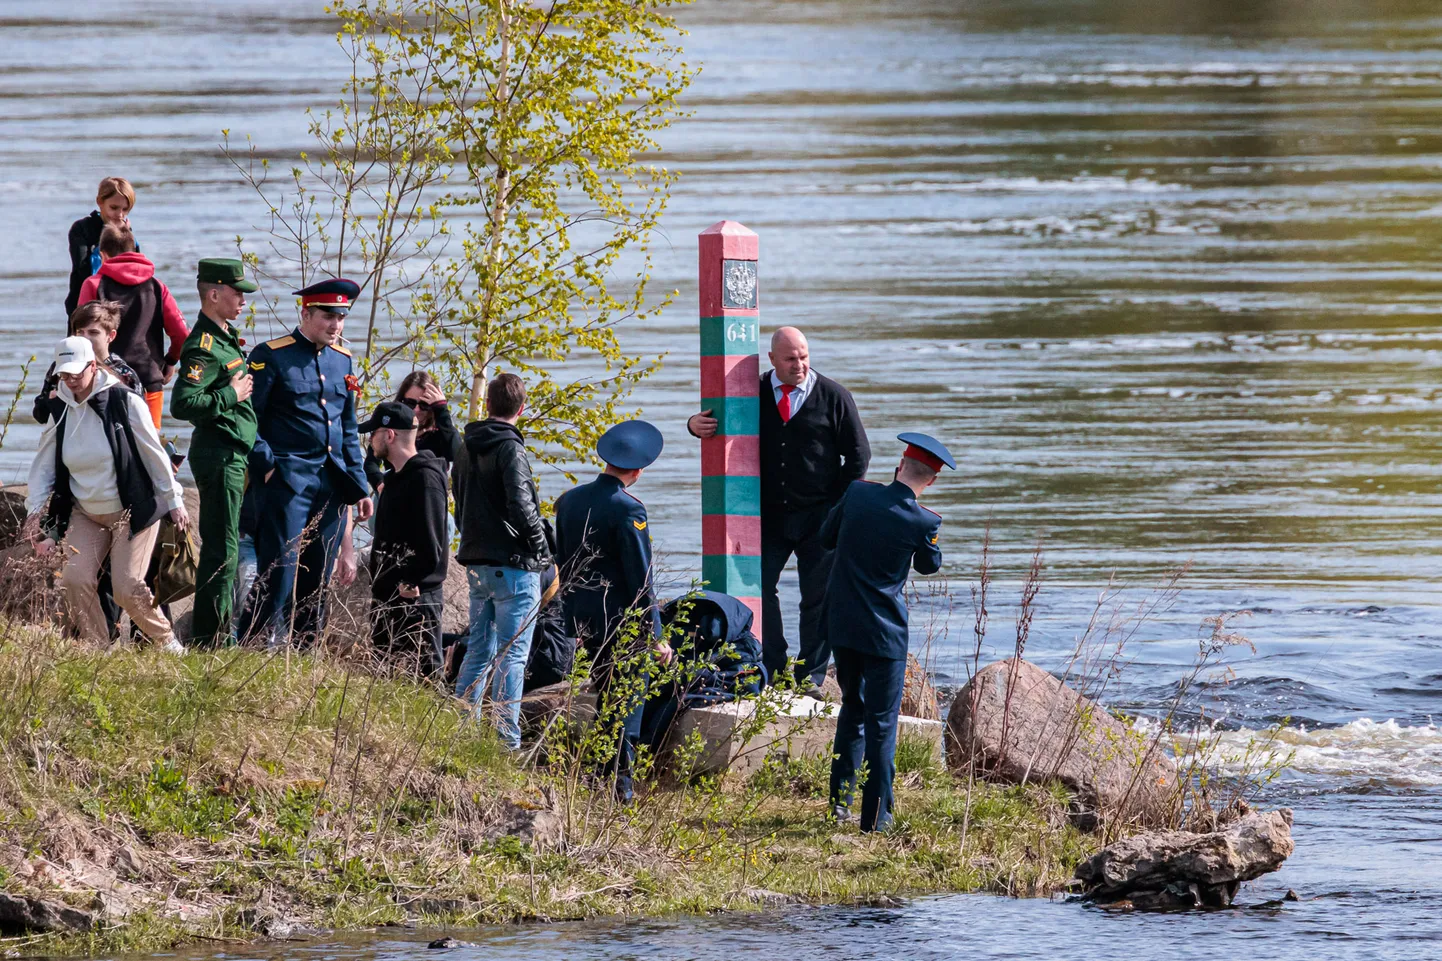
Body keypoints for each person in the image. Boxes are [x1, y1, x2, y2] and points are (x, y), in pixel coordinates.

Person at [687, 326, 870, 692]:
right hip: (768, 516)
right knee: (758, 588)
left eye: (804, 356)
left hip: (821, 516)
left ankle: (810, 675)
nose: (799, 364)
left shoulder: (834, 396)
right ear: (771, 359)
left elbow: (859, 456)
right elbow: (711, 419)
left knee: (817, 598)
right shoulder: (750, 392)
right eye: (790, 358)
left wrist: (837, 502)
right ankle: (773, 662)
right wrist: (693, 425)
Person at [22, 336, 189, 652]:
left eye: (76, 373)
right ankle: (100, 649)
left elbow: (154, 454)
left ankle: (169, 644)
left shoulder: (124, 401)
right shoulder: (59, 409)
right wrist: (34, 512)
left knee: (126, 587)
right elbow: (43, 466)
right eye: (64, 374)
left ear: (92, 366)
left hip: (132, 511)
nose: (71, 380)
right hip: (88, 512)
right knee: (74, 579)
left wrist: (174, 499)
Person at [821, 432, 952, 833]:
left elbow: (826, 537)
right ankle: (877, 818)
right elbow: (929, 566)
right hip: (884, 634)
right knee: (882, 722)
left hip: (842, 623)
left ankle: (839, 805)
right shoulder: (925, 520)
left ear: (899, 464)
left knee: (852, 709)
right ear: (931, 480)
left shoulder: (857, 494)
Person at [238, 278, 373, 648]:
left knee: (317, 580)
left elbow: (347, 428)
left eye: (341, 318)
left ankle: (303, 656)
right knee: (278, 574)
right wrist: (267, 465)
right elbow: (248, 419)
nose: (336, 325)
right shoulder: (271, 355)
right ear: (306, 313)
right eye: (328, 317)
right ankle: (250, 648)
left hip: (330, 485)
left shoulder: (342, 359)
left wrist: (359, 485)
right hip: (286, 482)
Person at [554, 420, 673, 800]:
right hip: (622, 621)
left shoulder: (569, 500)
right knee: (626, 702)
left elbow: (564, 562)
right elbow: (641, 580)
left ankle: (598, 776)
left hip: (583, 619)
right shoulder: (628, 510)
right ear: (637, 472)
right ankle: (620, 787)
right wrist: (656, 636)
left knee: (606, 693)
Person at [453, 373, 550, 750]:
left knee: (478, 650)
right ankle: (506, 740)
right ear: (521, 409)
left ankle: (461, 731)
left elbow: (460, 502)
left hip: (476, 561)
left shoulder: (464, 448)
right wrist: (542, 553)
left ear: (488, 405)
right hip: (513, 565)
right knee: (513, 655)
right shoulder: (511, 449)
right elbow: (523, 507)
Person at [170, 259, 259, 647]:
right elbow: (183, 404)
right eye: (237, 293)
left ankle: (213, 636)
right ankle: (210, 642)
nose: (243, 300)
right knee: (222, 552)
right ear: (214, 294)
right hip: (219, 455)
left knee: (228, 547)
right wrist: (231, 394)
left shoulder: (224, 336)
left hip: (233, 454)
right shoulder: (202, 346)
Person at [362, 400, 449, 678]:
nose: (369, 440)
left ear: (389, 435)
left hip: (414, 600)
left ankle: (431, 723)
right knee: (383, 680)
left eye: (372, 433)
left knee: (424, 679)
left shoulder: (425, 479)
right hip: (387, 598)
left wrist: (408, 581)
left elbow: (431, 544)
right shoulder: (395, 478)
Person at [75, 225, 189, 427]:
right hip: (149, 380)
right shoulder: (157, 286)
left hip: (104, 381)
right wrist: (170, 361)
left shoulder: (93, 285)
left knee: (109, 448)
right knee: (148, 448)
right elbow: (181, 334)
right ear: (135, 251)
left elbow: (80, 340)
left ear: (102, 255)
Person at [33, 301, 142, 425]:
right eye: (80, 332)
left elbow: (138, 419)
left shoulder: (125, 373)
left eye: (93, 333)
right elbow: (40, 416)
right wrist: (52, 400)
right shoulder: (61, 365)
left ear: (110, 336)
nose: (85, 338)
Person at [363, 370, 461, 492]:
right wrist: (380, 483)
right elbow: (370, 464)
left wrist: (442, 411)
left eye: (424, 405)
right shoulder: (390, 427)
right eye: (410, 403)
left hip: (430, 494)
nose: (416, 410)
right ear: (401, 401)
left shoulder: (440, 431)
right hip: (392, 492)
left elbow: (457, 455)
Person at [66, 176, 135, 319]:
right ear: (100, 202)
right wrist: (110, 236)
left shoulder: (126, 232)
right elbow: (84, 270)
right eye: (114, 208)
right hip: (84, 309)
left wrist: (124, 237)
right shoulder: (82, 229)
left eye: (125, 209)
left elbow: (133, 272)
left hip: (118, 308)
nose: (120, 215)